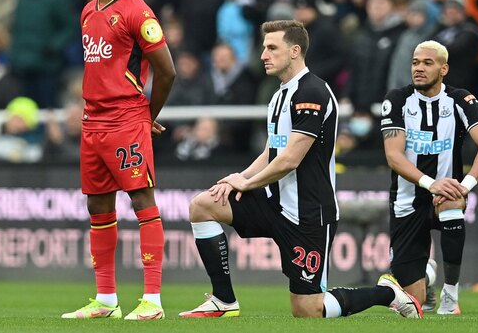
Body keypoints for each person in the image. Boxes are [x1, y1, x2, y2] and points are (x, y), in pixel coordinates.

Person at [179, 20, 422, 319]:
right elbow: (272, 151)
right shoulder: (280, 93)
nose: (263, 55)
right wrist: (239, 178)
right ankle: (224, 300)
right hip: (273, 203)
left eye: (271, 48)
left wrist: (246, 184)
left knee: (307, 309)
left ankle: (387, 293)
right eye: (264, 48)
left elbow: (290, 159)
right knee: (203, 206)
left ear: (295, 51)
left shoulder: (312, 92)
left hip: (309, 214)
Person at [61, 0, 176, 320]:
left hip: (125, 120)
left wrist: (146, 113)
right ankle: (106, 300)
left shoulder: (136, 12)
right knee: (97, 205)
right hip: (91, 121)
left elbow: (167, 70)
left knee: (142, 201)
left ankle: (153, 301)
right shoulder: (88, 11)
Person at [380, 40, 478, 315]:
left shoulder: (459, 99)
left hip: (445, 196)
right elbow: (394, 156)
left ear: (443, 69)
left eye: (427, 63)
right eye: (415, 63)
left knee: (451, 204)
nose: (419, 68)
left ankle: (451, 295)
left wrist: (464, 187)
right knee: (412, 301)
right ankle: (428, 275)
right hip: (407, 201)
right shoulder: (397, 99)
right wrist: (430, 183)